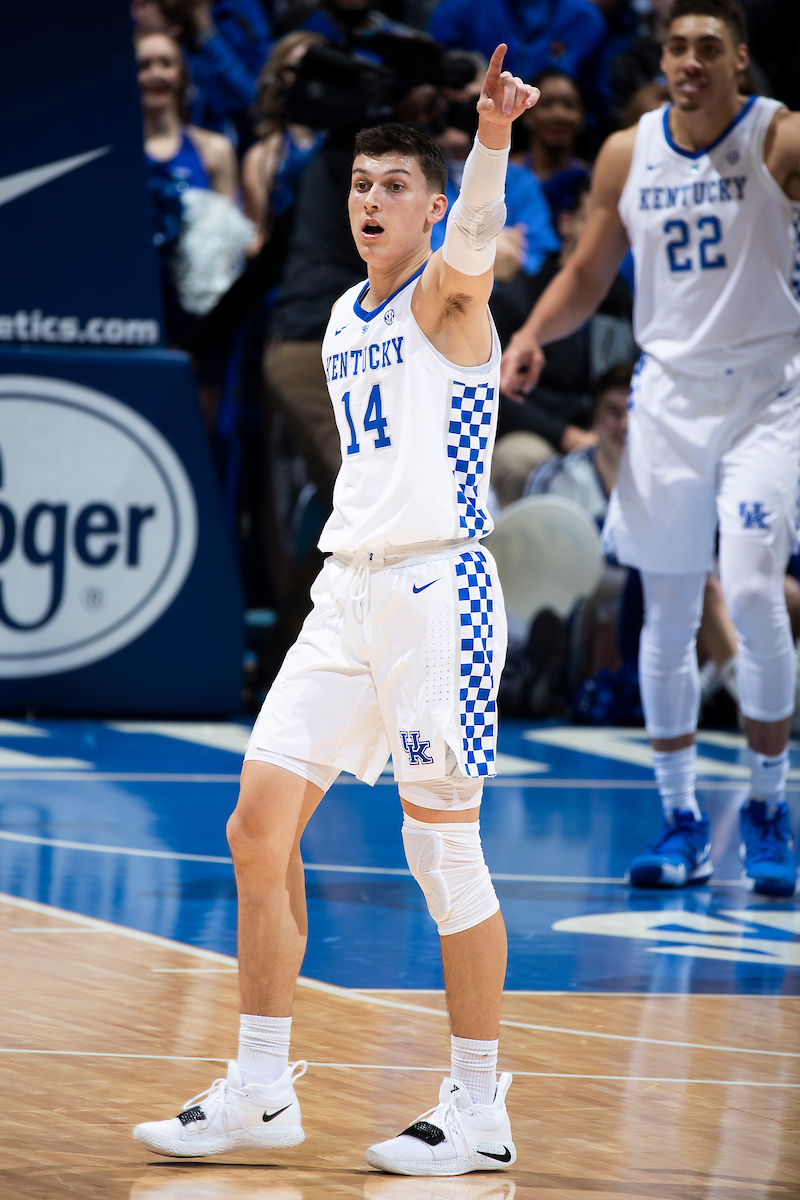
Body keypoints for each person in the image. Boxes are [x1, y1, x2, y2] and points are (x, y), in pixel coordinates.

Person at [133, 46, 539, 1172]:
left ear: (433, 205)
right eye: (360, 187)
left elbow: (471, 256)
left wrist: (492, 135)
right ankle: (261, 1088)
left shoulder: (447, 298)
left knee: (439, 850)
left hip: (436, 590)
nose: (371, 202)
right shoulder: (346, 318)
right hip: (345, 590)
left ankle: (476, 1110)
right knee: (256, 827)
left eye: (394, 187)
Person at [501, 0, 800, 898]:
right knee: (664, 610)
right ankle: (679, 822)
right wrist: (536, 337)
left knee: (750, 587)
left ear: (741, 61)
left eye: (710, 47)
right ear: (662, 57)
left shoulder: (780, 139)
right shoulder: (631, 151)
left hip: (766, 394)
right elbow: (591, 268)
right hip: (667, 398)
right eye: (677, 46)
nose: (690, 61)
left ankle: (766, 805)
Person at [137, 28, 239, 352]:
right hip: (135, 305)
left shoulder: (215, 150)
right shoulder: (115, 154)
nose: (156, 74)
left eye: (165, 63)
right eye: (145, 65)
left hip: (195, 315)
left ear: (181, 73)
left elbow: (228, 244)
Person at [430, 0, 608, 111]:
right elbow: (436, 80)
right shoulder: (459, 8)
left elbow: (593, 100)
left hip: (549, 144)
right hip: (473, 126)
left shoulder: (586, 19)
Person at [511, 68, 591, 221]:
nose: (558, 114)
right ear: (527, 114)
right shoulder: (507, 174)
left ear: (582, 116)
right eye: (546, 105)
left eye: (568, 106)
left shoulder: (591, 178)